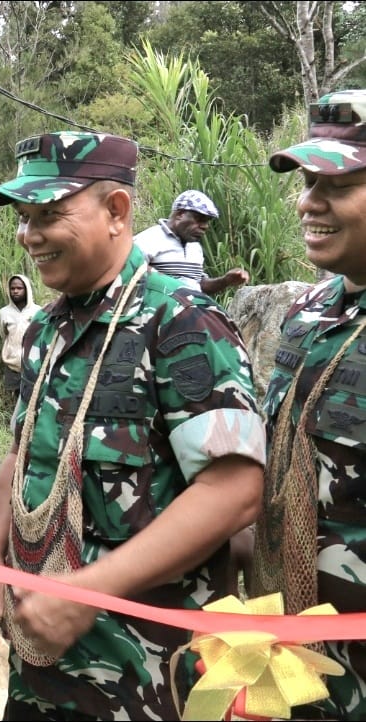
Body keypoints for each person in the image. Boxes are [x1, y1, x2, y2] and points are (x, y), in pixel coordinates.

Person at [0, 131, 266, 721]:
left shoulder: (181, 325)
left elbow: (234, 491)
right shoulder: (46, 332)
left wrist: (84, 594)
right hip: (44, 668)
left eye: (49, 215)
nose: (30, 236)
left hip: (148, 676)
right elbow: (21, 455)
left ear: (117, 212)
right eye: (24, 219)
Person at [248, 87, 366, 720]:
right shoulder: (310, 313)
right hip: (289, 652)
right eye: (305, 181)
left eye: (336, 185)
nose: (308, 203)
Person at [133, 189, 250, 296]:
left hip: (193, 311)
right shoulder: (148, 240)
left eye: (207, 222)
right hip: (160, 314)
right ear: (180, 215)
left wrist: (225, 281)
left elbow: (199, 285)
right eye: (199, 219)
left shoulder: (195, 247)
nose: (205, 226)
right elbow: (129, 276)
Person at [0, 273, 40, 417]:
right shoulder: (4, 312)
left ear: (26, 289)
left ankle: (31, 425)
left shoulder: (37, 312)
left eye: (19, 288)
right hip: (13, 363)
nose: (15, 291)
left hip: (32, 364)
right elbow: (4, 335)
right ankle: (18, 427)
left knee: (34, 397)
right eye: (12, 288)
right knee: (17, 399)